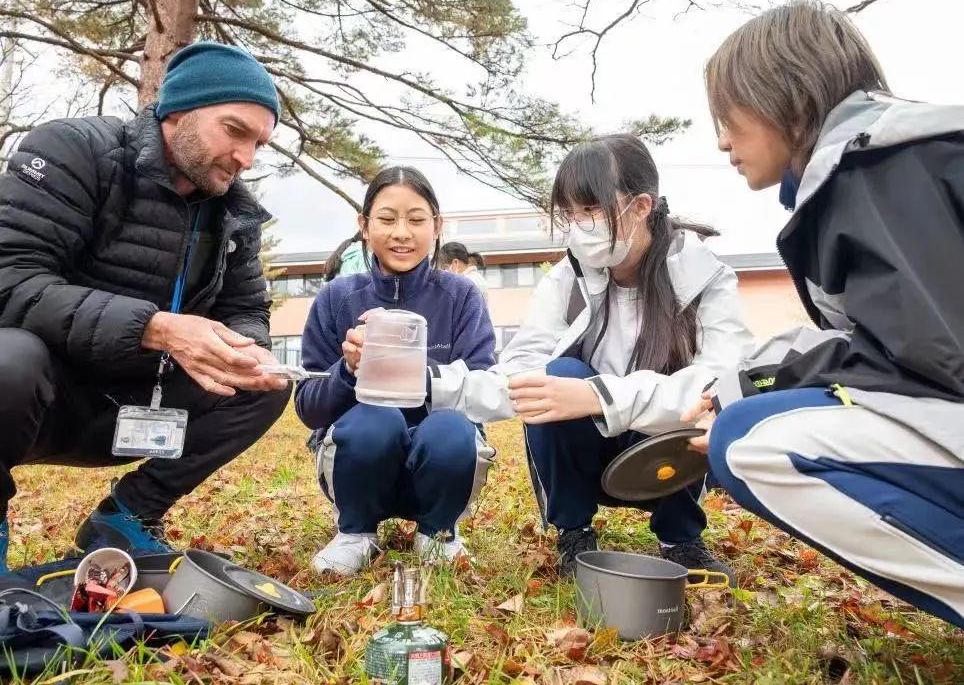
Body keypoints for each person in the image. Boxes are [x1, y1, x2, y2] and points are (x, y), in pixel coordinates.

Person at [689, 0, 964, 626]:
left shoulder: (879, 164)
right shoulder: (897, 155)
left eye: (725, 114)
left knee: (753, 441)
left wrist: (755, 383)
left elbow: (938, 358)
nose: (722, 139)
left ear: (783, 93)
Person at [0, 41, 292, 565]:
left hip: (141, 405)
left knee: (264, 384)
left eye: (258, 144)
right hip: (46, 395)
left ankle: (126, 516)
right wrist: (155, 328)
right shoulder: (73, 151)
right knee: (7, 358)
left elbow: (247, 308)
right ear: (176, 110)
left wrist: (249, 350)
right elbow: (9, 279)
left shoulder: (233, 214)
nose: (245, 159)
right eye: (234, 131)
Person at [429, 134, 755, 577]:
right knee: (555, 373)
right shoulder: (567, 279)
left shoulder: (703, 277)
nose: (579, 225)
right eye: (570, 213)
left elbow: (721, 381)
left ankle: (680, 537)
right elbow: (521, 370)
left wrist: (597, 396)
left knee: (696, 394)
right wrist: (429, 383)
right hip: (590, 451)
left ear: (641, 206)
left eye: (592, 210)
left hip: (665, 454)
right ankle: (574, 532)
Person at [296, 166, 496, 575]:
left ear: (436, 226)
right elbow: (308, 407)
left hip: (442, 464)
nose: (402, 232)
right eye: (387, 219)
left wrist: (407, 366)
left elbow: (482, 389)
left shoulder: (462, 297)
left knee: (453, 428)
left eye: (417, 219)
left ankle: (438, 533)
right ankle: (355, 532)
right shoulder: (336, 297)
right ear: (364, 226)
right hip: (360, 466)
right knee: (374, 421)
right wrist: (349, 370)